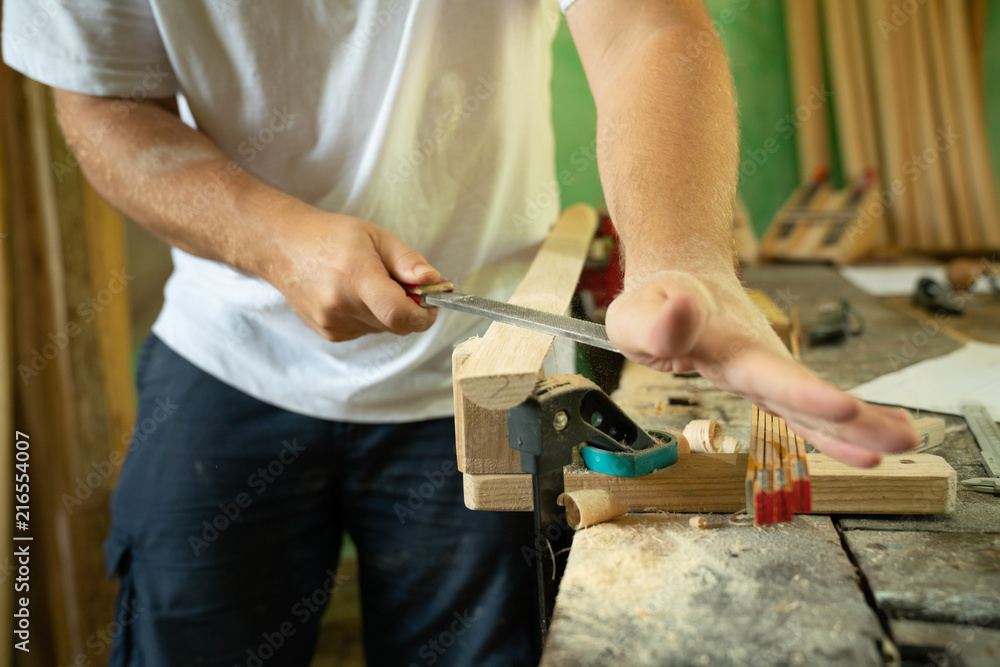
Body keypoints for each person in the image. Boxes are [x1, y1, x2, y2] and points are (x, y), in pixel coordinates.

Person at [2, 0, 918, 664]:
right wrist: (273, 239)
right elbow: (104, 102)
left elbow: (647, 25)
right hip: (225, 355)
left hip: (484, 388)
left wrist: (683, 251)